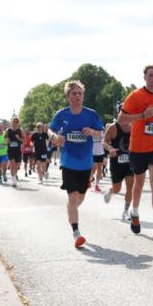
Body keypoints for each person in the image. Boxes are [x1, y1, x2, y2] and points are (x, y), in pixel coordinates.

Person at [49, 81, 104, 249]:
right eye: (74, 93)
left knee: (80, 197)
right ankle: (76, 233)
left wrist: (92, 132)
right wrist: (54, 137)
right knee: (72, 197)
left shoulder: (91, 114)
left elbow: (100, 133)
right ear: (68, 97)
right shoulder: (62, 114)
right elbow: (50, 129)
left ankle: (70, 211)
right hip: (68, 162)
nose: (77, 96)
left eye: (80, 93)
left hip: (85, 163)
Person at [118, 65, 153, 238]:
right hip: (138, 147)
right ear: (145, 77)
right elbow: (121, 118)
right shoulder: (136, 95)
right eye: (151, 75)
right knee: (139, 182)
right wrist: (142, 116)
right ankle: (134, 213)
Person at [103, 120, 134, 220]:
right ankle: (111, 191)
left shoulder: (134, 126)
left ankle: (125, 211)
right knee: (117, 189)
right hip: (116, 162)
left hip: (131, 162)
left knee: (130, 187)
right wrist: (110, 148)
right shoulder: (113, 127)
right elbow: (104, 142)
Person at [4, 116, 24, 188]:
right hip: (10, 150)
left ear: (18, 123)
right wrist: (7, 141)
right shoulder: (8, 130)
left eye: (17, 122)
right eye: (14, 121)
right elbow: (5, 140)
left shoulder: (20, 131)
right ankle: (14, 181)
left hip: (18, 150)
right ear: (12, 122)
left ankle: (14, 176)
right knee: (12, 165)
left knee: (17, 166)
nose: (15, 123)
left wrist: (19, 138)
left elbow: (24, 140)